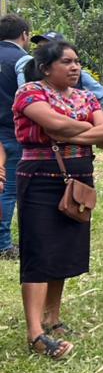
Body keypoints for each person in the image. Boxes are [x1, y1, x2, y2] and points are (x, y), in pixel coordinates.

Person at [13, 40, 103, 358]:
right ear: (46, 68)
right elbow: (54, 123)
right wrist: (84, 129)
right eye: (67, 62)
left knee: (64, 249)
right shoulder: (30, 92)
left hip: (79, 179)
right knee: (40, 251)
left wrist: (69, 132)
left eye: (77, 62)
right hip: (41, 178)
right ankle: (35, 332)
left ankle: (53, 318)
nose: (75, 67)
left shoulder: (86, 95)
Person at [0, 13, 33, 261]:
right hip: (11, 132)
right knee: (8, 188)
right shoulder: (23, 60)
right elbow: (29, 95)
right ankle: (3, 244)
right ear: (24, 35)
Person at [16, 31, 103, 106]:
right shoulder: (29, 82)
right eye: (39, 47)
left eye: (48, 48)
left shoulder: (82, 88)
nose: (74, 67)